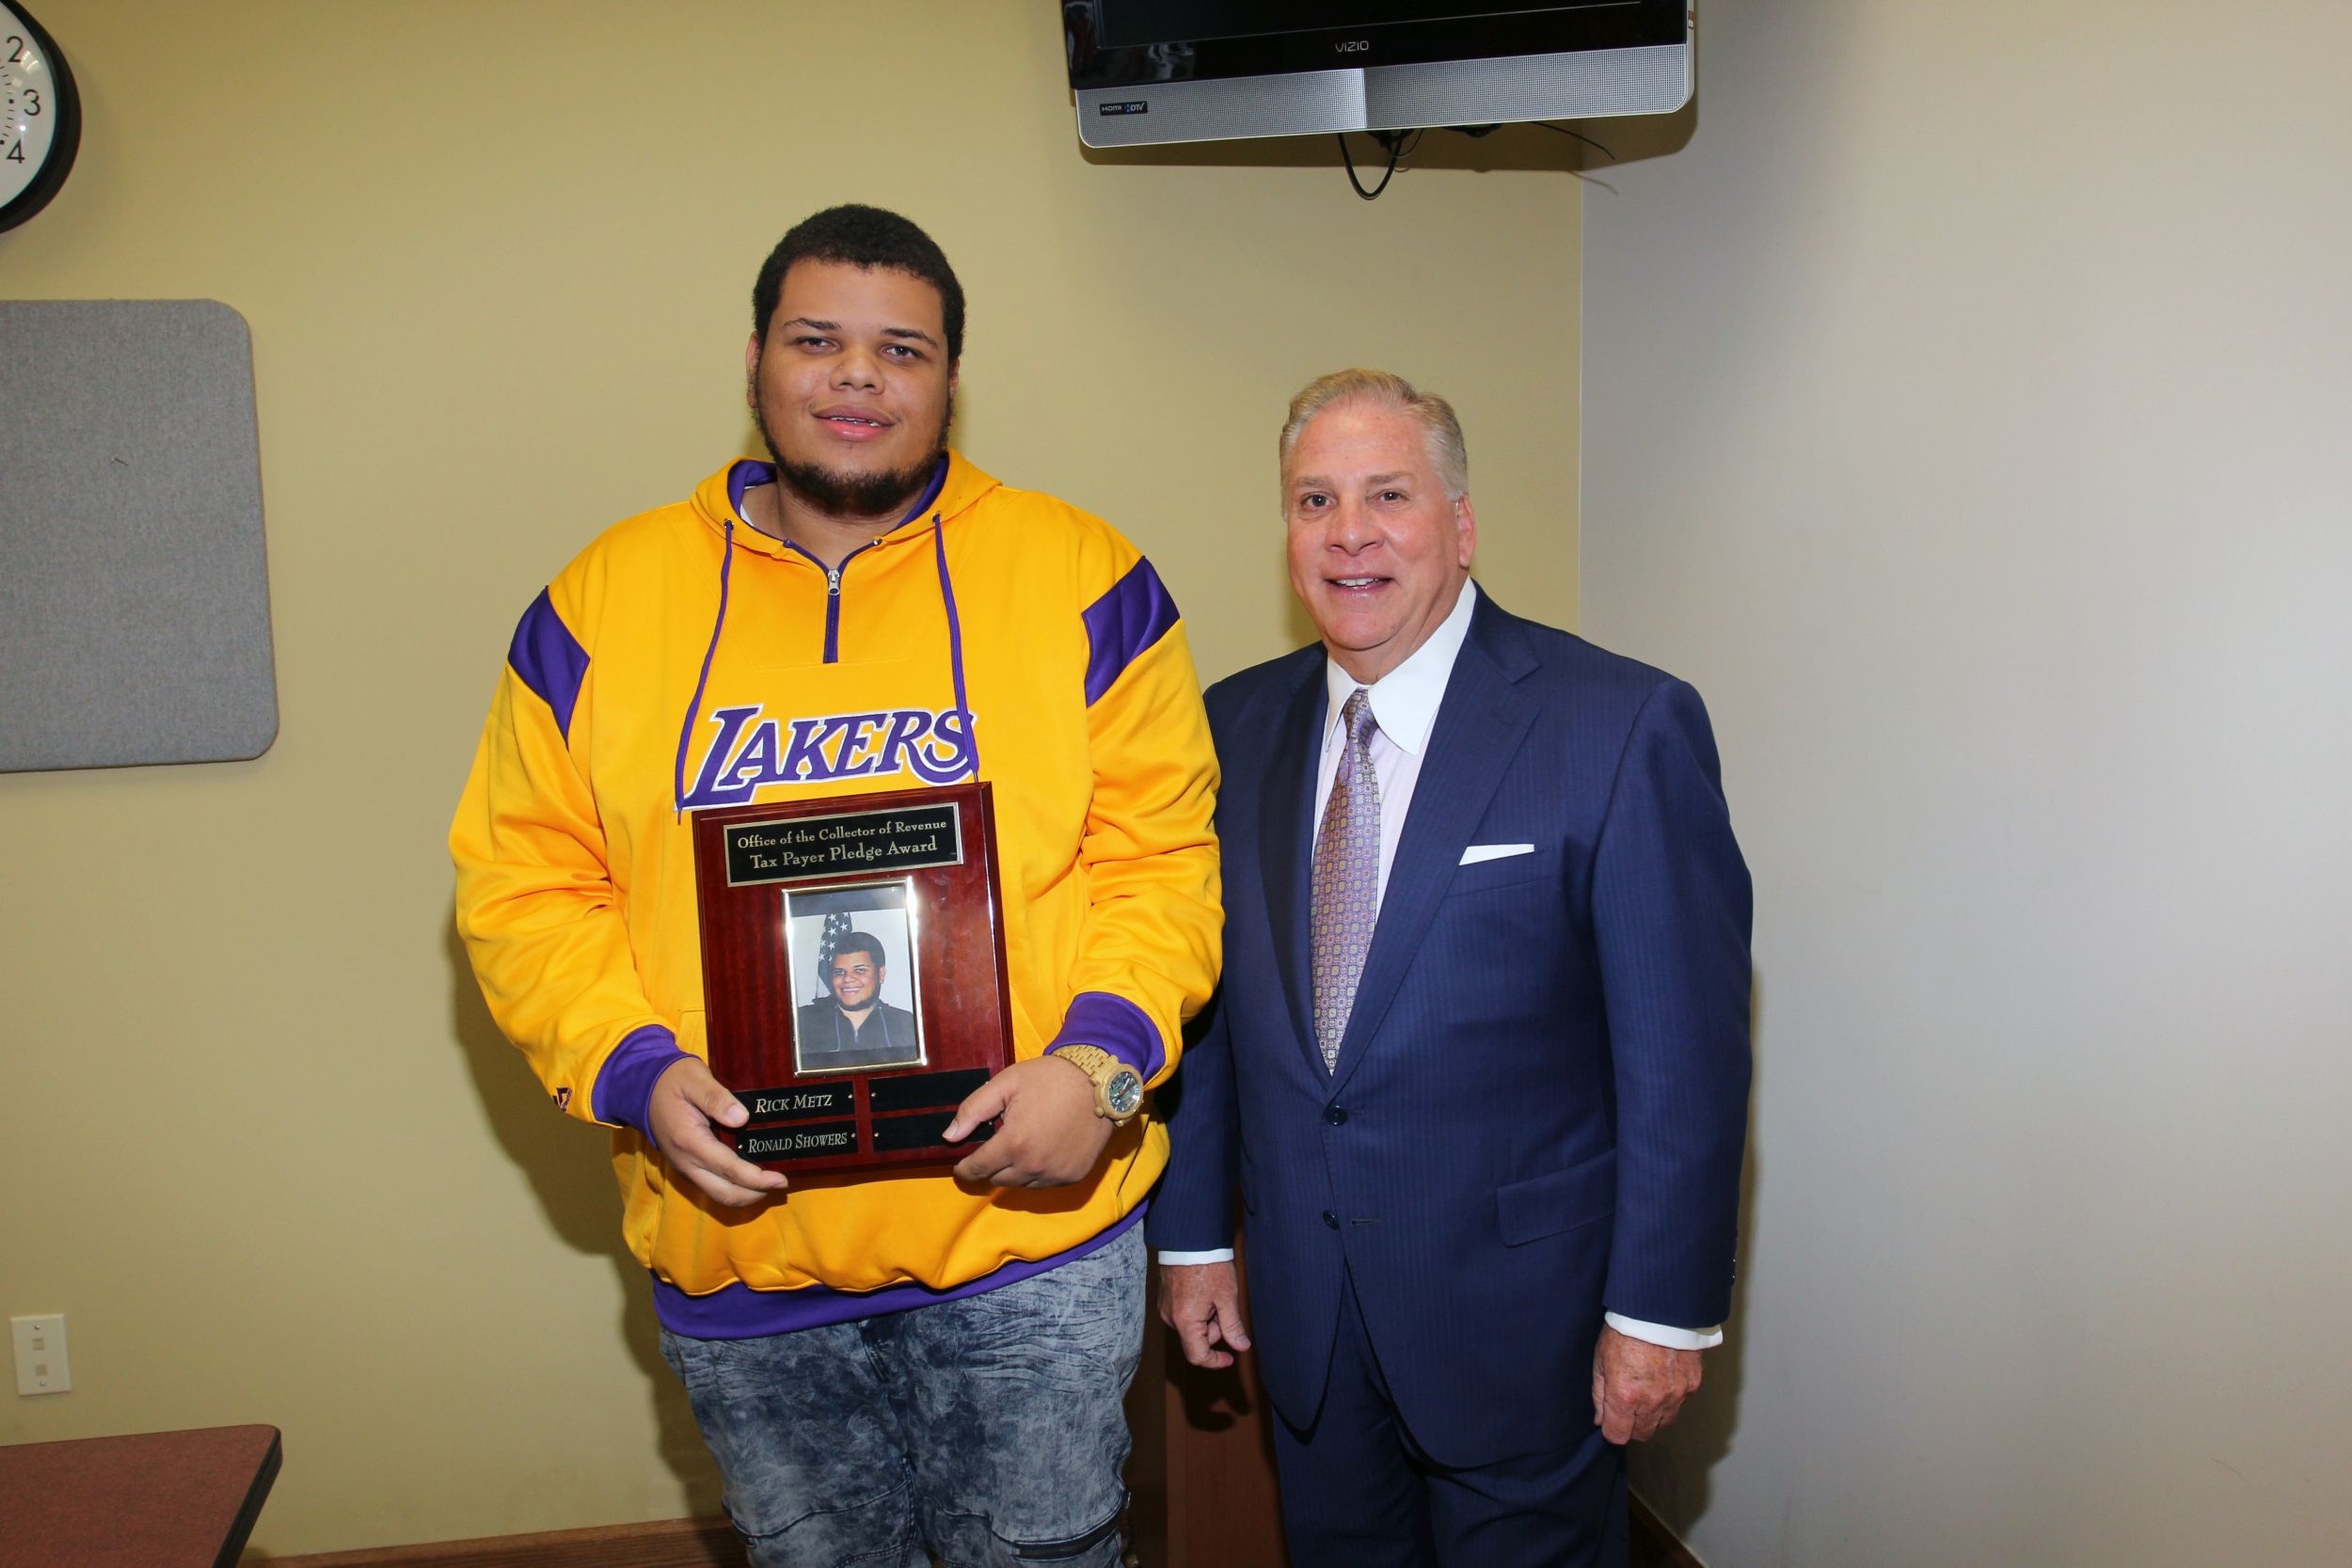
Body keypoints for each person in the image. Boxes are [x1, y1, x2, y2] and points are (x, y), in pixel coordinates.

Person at [451, 204, 1220, 1568]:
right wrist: (629, 1067)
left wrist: (1099, 1066)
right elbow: (524, 881)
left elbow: (1160, 858)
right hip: (743, 1245)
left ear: (947, 381)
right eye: (819, 340)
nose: (859, 375)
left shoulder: (1086, 577)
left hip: (1028, 1243)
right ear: (756, 359)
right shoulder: (598, 604)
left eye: (901, 349)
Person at [1148, 370, 1751, 1568]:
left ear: (1461, 525)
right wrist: (1194, 1236)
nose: (1349, 532)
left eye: (1388, 494)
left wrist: (1658, 1312)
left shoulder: (1618, 725)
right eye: (1313, 499)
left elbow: (1683, 1056)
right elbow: (1205, 1003)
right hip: (1309, 1318)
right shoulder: (1229, 729)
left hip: (1525, 1326)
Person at [796, 931, 919, 1070]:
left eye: (860, 970)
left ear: (881, 974)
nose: (847, 979)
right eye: (839, 972)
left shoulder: (906, 1023)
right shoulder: (803, 1022)